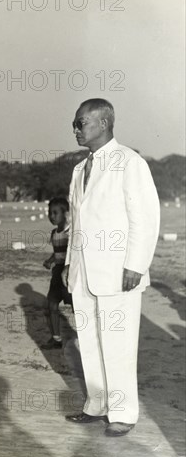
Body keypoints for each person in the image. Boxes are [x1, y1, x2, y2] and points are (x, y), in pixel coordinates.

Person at [62, 98, 160, 437]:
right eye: (74, 123)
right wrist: (69, 263)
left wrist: (136, 264)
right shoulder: (79, 170)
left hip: (119, 271)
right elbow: (76, 223)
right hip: (84, 272)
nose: (75, 128)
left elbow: (145, 218)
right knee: (88, 340)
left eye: (81, 122)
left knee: (117, 342)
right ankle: (97, 403)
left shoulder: (129, 162)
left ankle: (123, 412)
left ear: (104, 123)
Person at [41, 196, 73, 350]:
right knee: (52, 303)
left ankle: (86, 337)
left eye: (55, 213)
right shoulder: (54, 233)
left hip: (69, 274)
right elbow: (57, 253)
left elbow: (74, 253)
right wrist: (50, 260)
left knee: (76, 306)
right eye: (50, 213)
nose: (52, 216)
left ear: (66, 214)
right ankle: (56, 338)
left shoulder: (71, 233)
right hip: (56, 273)